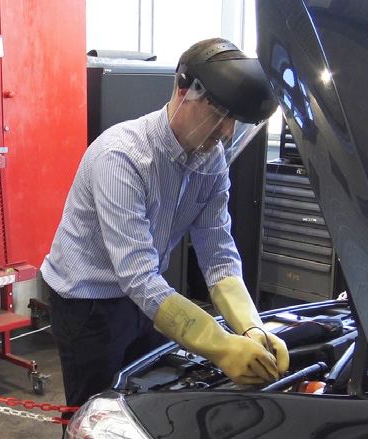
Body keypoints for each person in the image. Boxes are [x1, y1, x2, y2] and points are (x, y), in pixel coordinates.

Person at [41, 38, 289, 422]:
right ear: (183, 88)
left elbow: (218, 251)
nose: (225, 131)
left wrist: (251, 328)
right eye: (218, 112)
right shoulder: (122, 157)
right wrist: (221, 345)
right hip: (89, 302)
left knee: (150, 407)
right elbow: (137, 275)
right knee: (95, 417)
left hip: (148, 296)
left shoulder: (211, 158)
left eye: (235, 120)